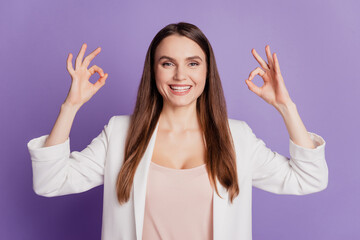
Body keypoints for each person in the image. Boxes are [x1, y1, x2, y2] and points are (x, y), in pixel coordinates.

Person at [27, 22, 328, 240]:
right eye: (167, 63)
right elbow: (50, 182)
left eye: (193, 63)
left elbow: (309, 178)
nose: (180, 75)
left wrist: (286, 106)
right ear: (153, 71)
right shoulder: (120, 134)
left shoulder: (237, 138)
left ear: (207, 71)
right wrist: (70, 106)